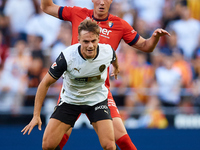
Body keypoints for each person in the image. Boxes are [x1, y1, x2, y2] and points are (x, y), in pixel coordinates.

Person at [40, 0, 170, 149]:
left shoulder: (119, 25)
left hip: (99, 91)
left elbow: (146, 46)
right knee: (54, 142)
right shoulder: (78, 13)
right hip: (73, 90)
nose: (102, 2)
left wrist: (155, 38)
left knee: (121, 141)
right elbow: (47, 6)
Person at [21, 19, 119, 150]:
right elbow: (44, 84)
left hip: (97, 100)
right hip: (71, 101)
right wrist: (36, 115)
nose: (90, 45)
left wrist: (116, 68)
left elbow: (113, 57)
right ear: (78, 39)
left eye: (93, 41)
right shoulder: (67, 57)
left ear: (98, 39)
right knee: (47, 146)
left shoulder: (107, 51)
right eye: (86, 41)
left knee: (109, 146)